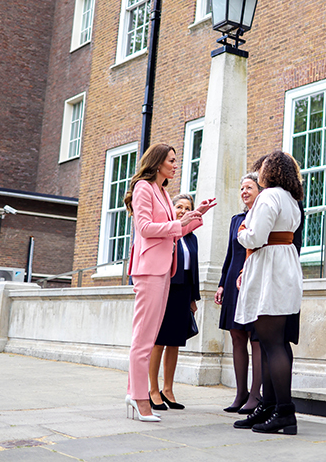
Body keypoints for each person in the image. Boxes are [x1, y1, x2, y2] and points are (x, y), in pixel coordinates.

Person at [122, 143, 216, 422]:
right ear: (158, 162)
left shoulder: (163, 191)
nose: (176, 165)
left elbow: (173, 234)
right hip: (149, 269)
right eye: (172, 161)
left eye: (176, 161)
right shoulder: (143, 188)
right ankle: (140, 398)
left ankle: (133, 392)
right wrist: (179, 222)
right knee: (144, 338)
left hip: (165, 269)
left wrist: (196, 215)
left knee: (149, 336)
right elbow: (146, 229)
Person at [233, 151, 304, 435]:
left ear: (270, 171)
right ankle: (271, 406)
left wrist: (241, 232)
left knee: (272, 344)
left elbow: (255, 236)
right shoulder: (290, 198)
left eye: (261, 168)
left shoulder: (269, 196)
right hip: (285, 267)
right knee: (277, 342)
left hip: (270, 270)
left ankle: (284, 412)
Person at [147, 193, 201, 412]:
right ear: (171, 209)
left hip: (183, 291)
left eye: (188, 208)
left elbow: (194, 270)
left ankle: (168, 390)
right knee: (159, 340)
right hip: (165, 289)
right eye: (179, 207)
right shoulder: (167, 232)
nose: (183, 211)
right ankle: (152, 390)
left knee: (175, 342)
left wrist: (193, 298)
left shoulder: (192, 237)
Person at [215, 173, 263, 414]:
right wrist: (222, 283)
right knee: (236, 336)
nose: (244, 191)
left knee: (256, 338)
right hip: (234, 278)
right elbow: (230, 254)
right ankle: (240, 392)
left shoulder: (263, 215)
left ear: (260, 190)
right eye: (241, 188)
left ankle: (256, 395)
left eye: (249, 187)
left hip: (254, 277)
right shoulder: (236, 220)